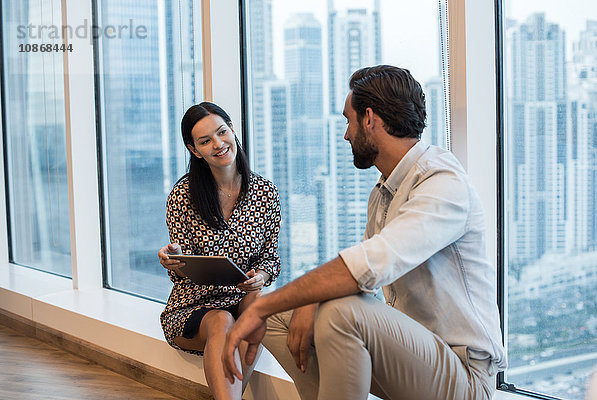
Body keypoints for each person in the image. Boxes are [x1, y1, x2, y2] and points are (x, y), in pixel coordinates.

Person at [222, 65, 507, 400]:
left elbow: (365, 268)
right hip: (411, 360)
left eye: (348, 120)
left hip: (465, 378)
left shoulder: (442, 181)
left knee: (338, 313)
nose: (345, 134)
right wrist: (294, 302)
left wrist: (264, 306)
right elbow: (359, 279)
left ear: (369, 119)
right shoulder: (385, 190)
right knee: (278, 318)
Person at [158, 102, 281, 400]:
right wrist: (173, 259)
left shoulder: (265, 193)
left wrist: (260, 276)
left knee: (257, 307)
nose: (218, 144)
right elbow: (183, 265)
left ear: (232, 130)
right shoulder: (183, 195)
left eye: (221, 132)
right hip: (193, 305)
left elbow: (270, 257)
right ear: (194, 150)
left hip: (241, 298)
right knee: (221, 321)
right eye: (205, 141)